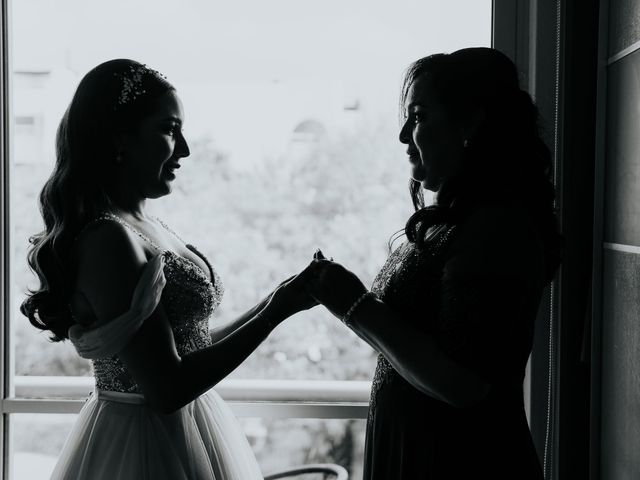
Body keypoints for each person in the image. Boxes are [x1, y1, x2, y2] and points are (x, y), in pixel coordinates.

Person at [20, 59, 316, 480]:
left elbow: (184, 347)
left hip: (189, 427)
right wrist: (275, 313)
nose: (185, 149)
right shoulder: (108, 238)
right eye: (169, 129)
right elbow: (166, 388)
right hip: (145, 443)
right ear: (119, 136)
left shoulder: (146, 225)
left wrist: (280, 297)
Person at [307, 47, 562, 479]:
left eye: (420, 116)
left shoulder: (496, 228)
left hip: (458, 461)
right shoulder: (461, 221)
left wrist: (354, 305)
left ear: (471, 122)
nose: (405, 135)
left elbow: (463, 384)